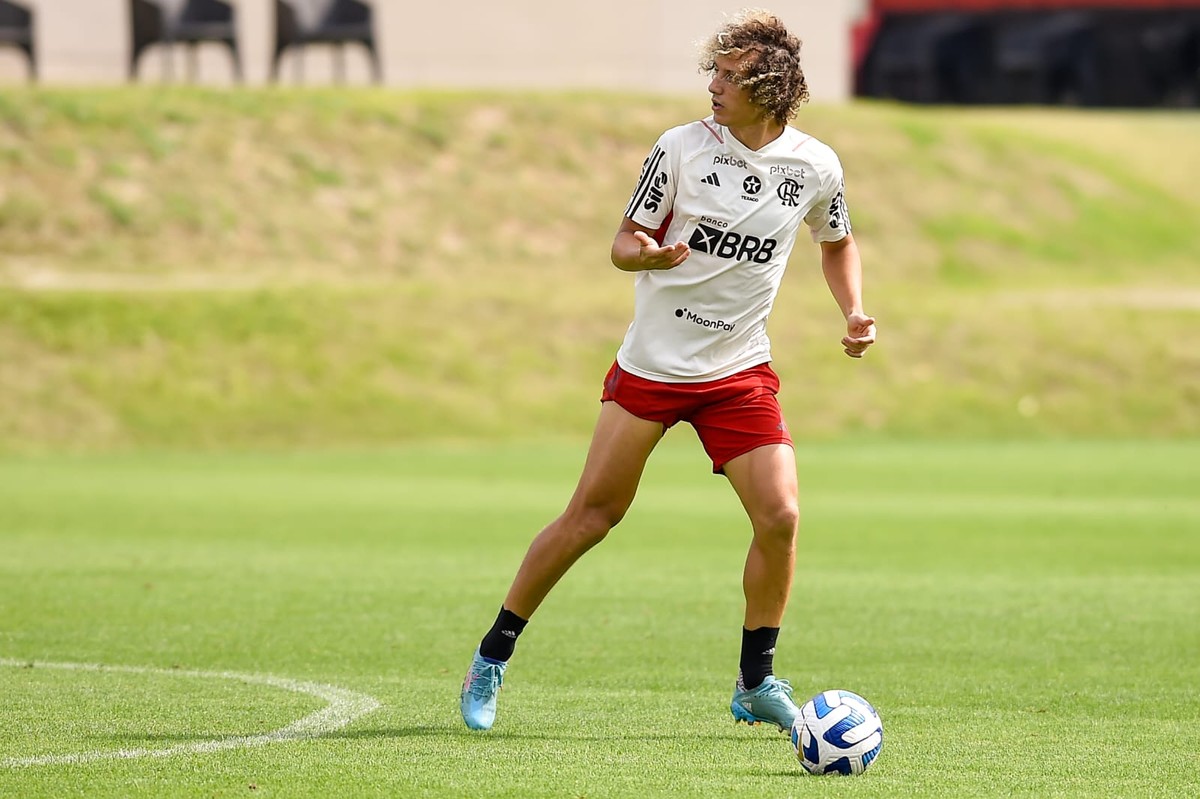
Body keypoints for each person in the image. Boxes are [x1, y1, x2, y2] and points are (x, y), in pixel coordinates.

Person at [460, 8, 876, 733]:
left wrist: (854, 309)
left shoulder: (814, 166)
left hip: (739, 370)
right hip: (653, 366)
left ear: (771, 89)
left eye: (729, 76)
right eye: (713, 70)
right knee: (593, 516)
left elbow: (836, 241)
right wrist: (645, 255)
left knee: (780, 517)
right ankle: (493, 653)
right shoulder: (680, 149)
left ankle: (756, 681)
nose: (711, 84)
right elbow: (623, 241)